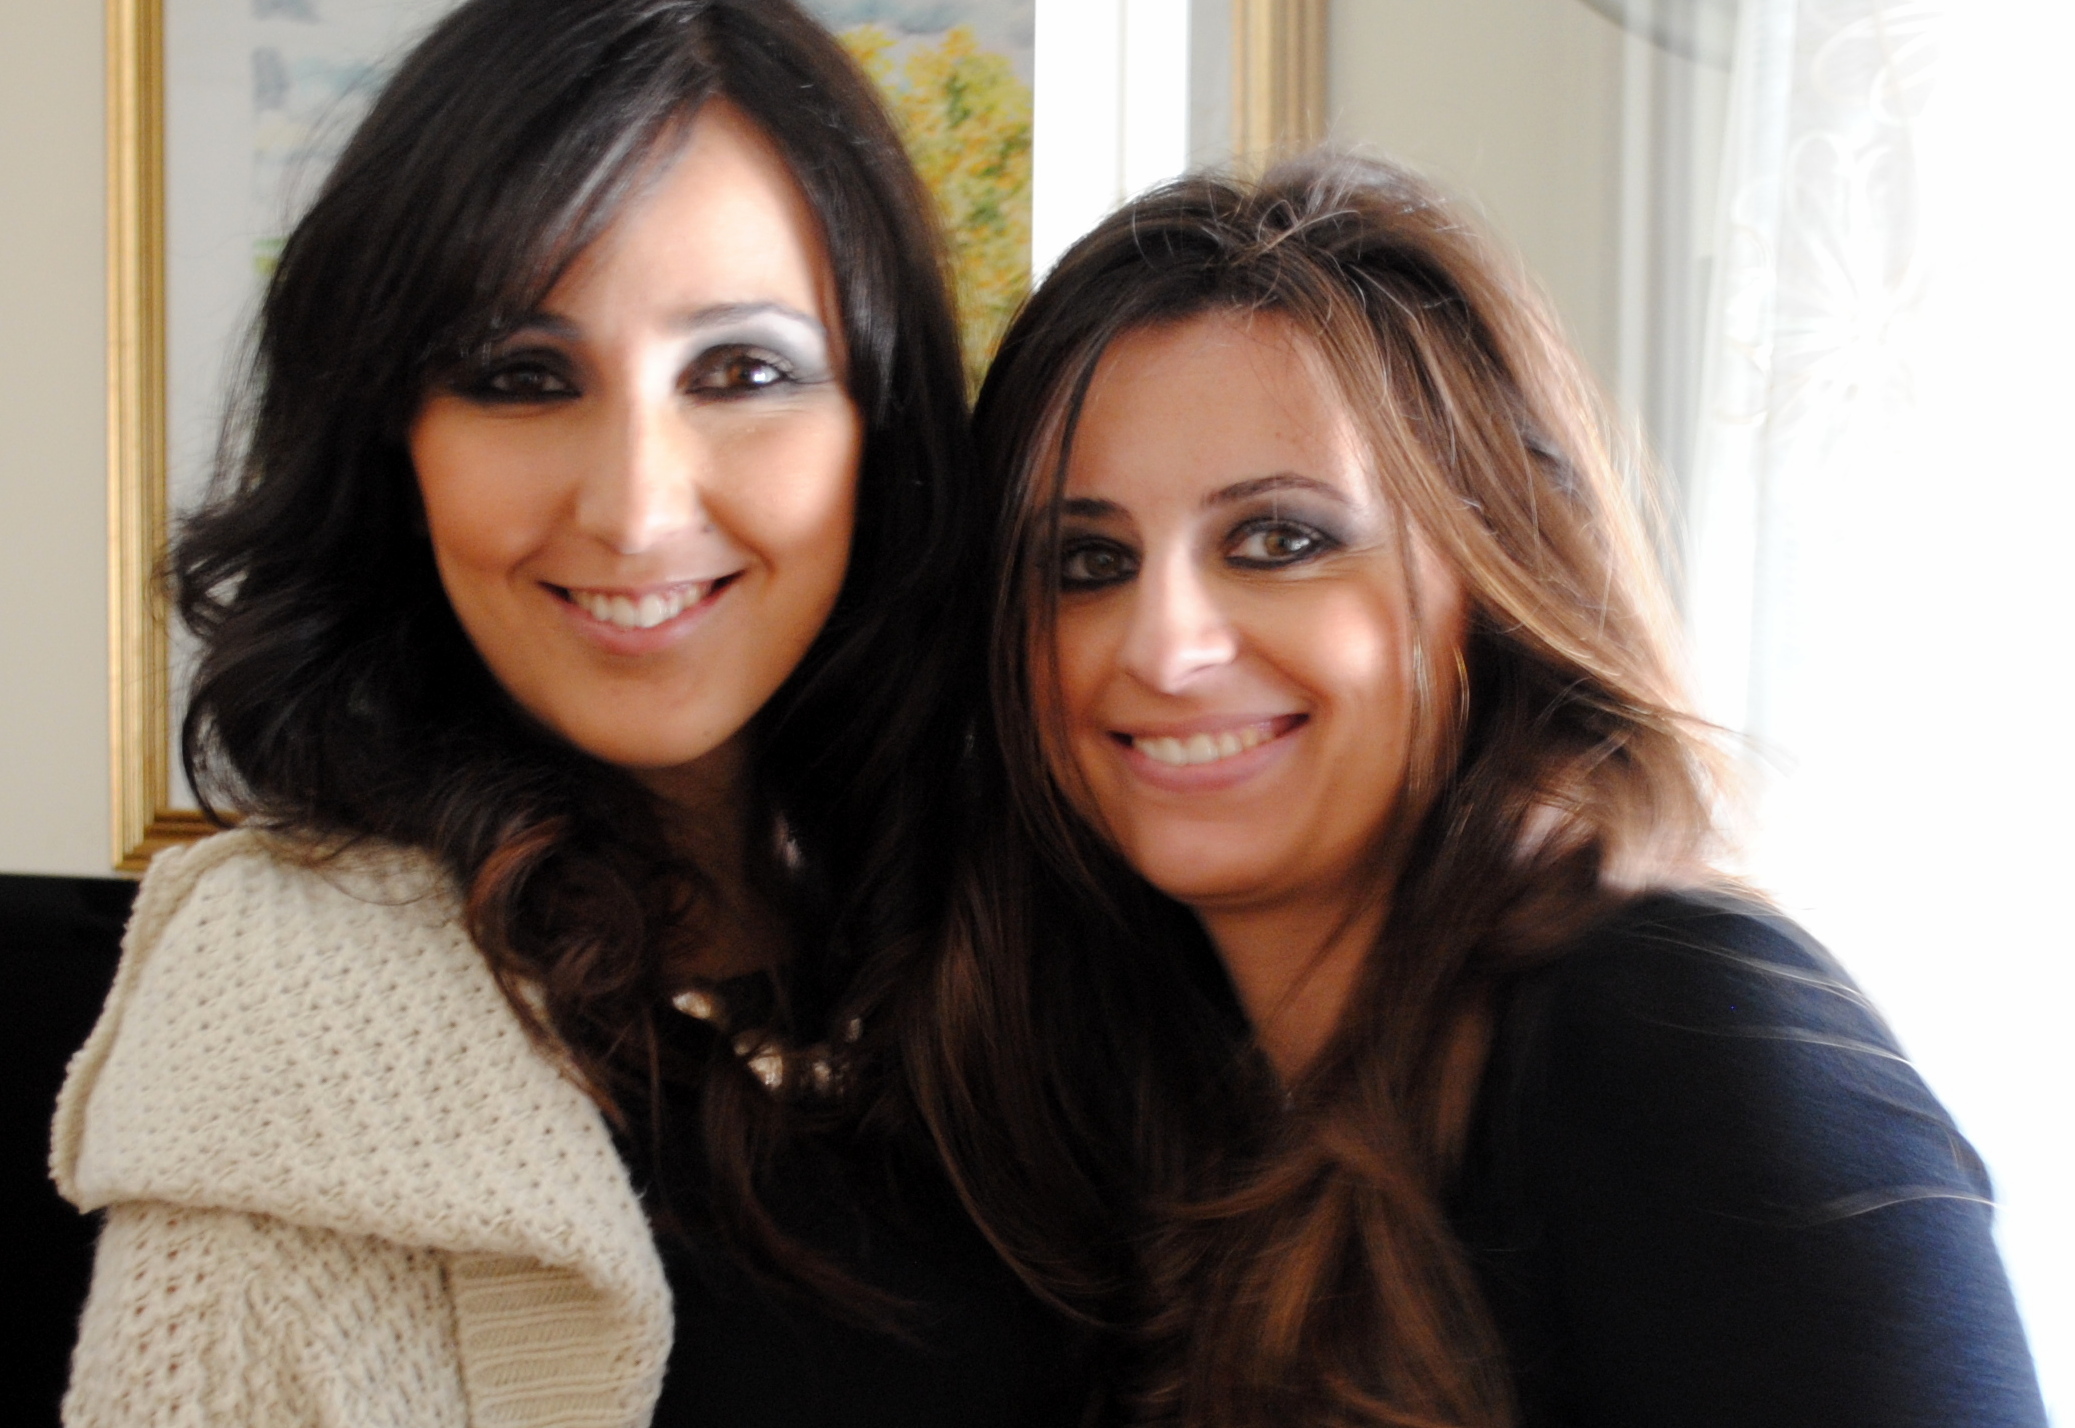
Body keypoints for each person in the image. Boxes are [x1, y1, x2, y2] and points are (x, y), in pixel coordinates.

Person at [52, 2, 1088, 1424]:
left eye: (741, 372)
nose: (635, 508)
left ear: (879, 421)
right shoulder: (294, 1014)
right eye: (522, 377)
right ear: (394, 444)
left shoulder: (1025, 910)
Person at [944, 155, 2050, 1427]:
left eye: (1279, 540)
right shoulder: (1111, 1092)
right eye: (1087, 562)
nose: (1162, 647)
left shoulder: (1687, 1031)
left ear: (1488, 579)